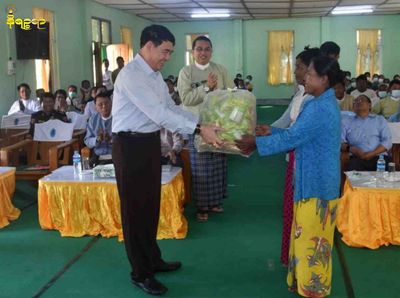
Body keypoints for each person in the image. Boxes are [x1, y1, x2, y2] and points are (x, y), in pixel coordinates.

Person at [111, 25, 222, 296]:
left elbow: (171, 107)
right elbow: (159, 114)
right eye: (165, 51)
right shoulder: (132, 75)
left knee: (151, 203)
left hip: (148, 143)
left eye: (170, 52)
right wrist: (198, 129)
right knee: (135, 210)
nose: (167, 57)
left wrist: (201, 122)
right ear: (148, 45)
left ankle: (153, 259)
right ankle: (140, 272)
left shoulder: (154, 76)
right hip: (129, 145)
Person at [236, 56, 342, 298]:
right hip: (310, 182)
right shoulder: (317, 102)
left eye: (311, 74)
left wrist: (257, 143)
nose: (305, 77)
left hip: (318, 187)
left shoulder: (320, 107)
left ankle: (313, 289)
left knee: (313, 242)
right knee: (303, 236)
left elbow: (292, 139)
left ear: (324, 79)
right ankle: (301, 282)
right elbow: (298, 134)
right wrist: (271, 131)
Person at [265, 46, 321, 267]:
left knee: (306, 214)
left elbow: (295, 134)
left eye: (298, 66)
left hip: (310, 164)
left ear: (311, 70)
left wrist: (259, 142)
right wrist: (261, 131)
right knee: (292, 210)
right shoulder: (300, 94)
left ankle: (305, 262)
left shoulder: (317, 101)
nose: (295, 70)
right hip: (295, 161)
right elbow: (284, 121)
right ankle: (292, 257)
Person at [177, 35, 235, 222]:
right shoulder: (186, 72)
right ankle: (202, 206)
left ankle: (215, 202)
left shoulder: (220, 70)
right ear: (193, 52)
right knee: (201, 166)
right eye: (199, 49)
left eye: (207, 49)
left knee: (218, 164)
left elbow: (231, 92)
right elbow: (186, 99)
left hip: (217, 124)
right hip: (197, 125)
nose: (203, 52)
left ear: (211, 51)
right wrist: (207, 89)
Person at [342, 95, 392, 171]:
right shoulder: (346, 121)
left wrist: (372, 153)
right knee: (352, 170)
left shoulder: (379, 120)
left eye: (362, 100)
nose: (359, 102)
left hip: (379, 157)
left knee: (390, 171)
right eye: (356, 101)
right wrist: (351, 148)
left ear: (370, 105)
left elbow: (387, 141)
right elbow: (340, 142)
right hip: (357, 158)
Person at [84, 93, 113, 167]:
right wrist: (97, 140)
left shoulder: (118, 117)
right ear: (96, 107)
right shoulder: (93, 119)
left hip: (115, 155)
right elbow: (87, 140)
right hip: (98, 156)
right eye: (100, 104)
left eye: (106, 103)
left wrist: (111, 140)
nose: (104, 106)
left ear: (111, 103)